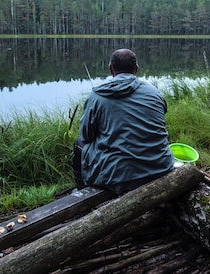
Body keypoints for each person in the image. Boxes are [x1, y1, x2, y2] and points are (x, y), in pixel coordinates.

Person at [72, 48, 174, 194]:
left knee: (79, 144)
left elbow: (86, 135)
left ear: (110, 69)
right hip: (160, 168)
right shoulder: (154, 92)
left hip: (115, 177)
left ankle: (81, 192)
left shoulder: (97, 95)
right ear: (136, 69)